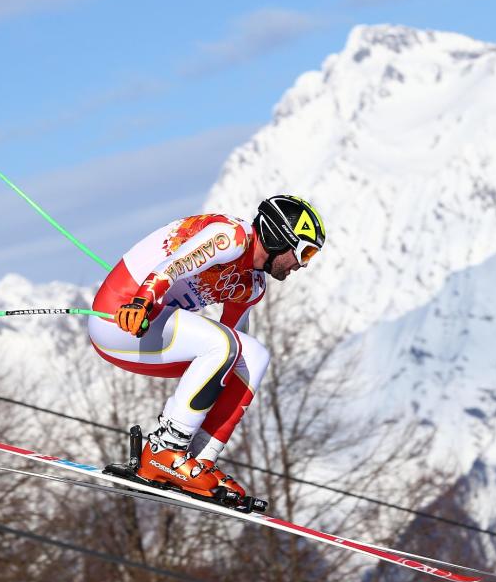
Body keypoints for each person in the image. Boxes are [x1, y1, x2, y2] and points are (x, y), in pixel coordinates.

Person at [88, 195, 325, 500]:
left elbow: (235, 356)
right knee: (221, 344)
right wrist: (141, 300)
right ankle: (164, 451)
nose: (302, 265)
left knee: (253, 355)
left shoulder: (252, 286)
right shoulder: (230, 237)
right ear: (279, 237)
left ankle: (200, 460)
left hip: (148, 332)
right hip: (120, 318)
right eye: (304, 252)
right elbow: (175, 263)